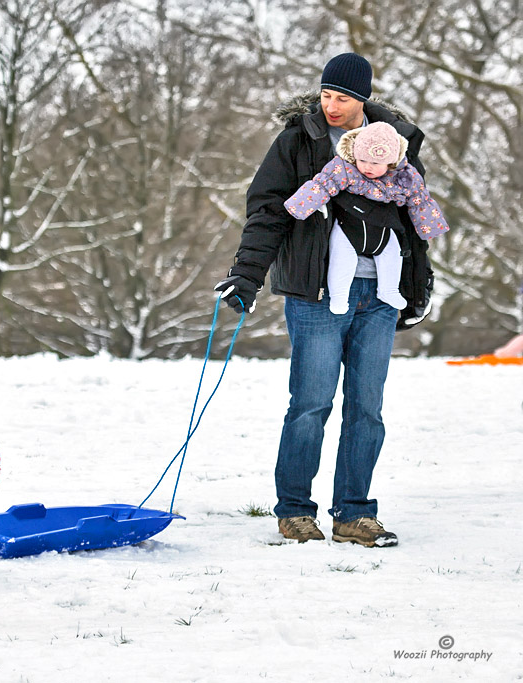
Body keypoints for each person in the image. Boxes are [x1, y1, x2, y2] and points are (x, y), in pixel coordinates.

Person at [214, 53, 436, 547]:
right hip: (316, 293)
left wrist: (417, 288)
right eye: (326, 94)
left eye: (343, 97)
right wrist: (247, 274)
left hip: (379, 294)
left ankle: (354, 513)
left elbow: (413, 217)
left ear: (363, 100)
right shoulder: (300, 140)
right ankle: (295, 510)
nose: (331, 105)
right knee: (311, 404)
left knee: (367, 408)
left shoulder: (395, 143)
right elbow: (269, 210)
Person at [284, 121, 449, 315]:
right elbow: (322, 184)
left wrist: (430, 226)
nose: (367, 167)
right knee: (341, 259)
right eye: (362, 160)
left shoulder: (404, 176)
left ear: (390, 162)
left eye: (375, 163)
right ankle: (339, 296)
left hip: (383, 232)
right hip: (348, 229)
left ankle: (389, 290)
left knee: (393, 255)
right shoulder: (345, 167)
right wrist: (299, 206)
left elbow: (419, 199)